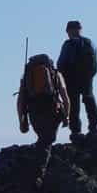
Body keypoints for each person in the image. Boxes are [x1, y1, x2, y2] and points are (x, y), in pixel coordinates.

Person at [18, 52, 71, 186]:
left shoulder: (27, 75)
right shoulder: (56, 74)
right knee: (47, 140)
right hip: (52, 109)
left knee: (44, 138)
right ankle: (38, 175)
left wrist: (22, 120)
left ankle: (39, 169)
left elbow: (20, 100)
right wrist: (67, 116)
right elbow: (65, 97)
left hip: (34, 111)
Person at [56, 19, 97, 142]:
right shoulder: (90, 43)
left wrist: (60, 78)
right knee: (89, 99)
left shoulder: (68, 44)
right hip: (87, 79)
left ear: (69, 30)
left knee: (73, 106)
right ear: (80, 29)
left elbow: (61, 63)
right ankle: (93, 127)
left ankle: (76, 131)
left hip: (71, 80)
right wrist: (89, 76)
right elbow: (95, 64)